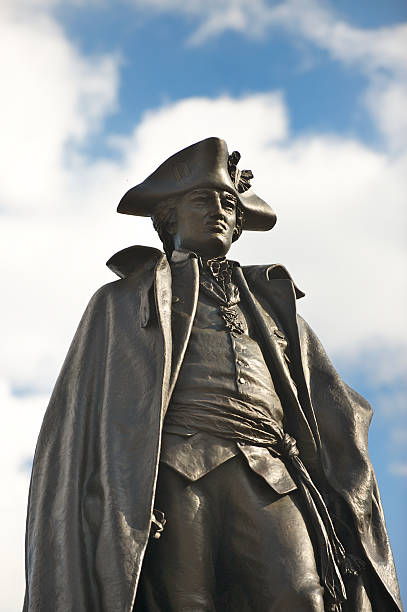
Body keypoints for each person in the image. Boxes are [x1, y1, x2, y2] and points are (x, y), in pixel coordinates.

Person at [24, 138, 402, 611]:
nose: (218, 211)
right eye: (202, 200)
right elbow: (86, 420)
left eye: (228, 202)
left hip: (269, 469)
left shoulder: (273, 309)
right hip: (177, 467)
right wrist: (125, 490)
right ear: (169, 219)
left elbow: (326, 398)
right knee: (188, 601)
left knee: (302, 595)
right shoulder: (122, 301)